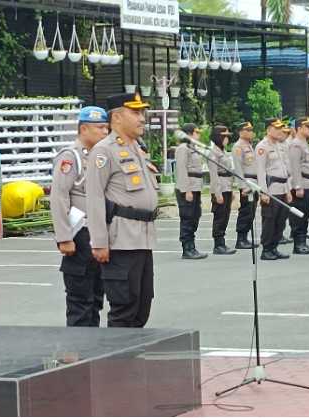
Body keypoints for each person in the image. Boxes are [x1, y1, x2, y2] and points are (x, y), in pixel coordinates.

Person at [87, 92, 158, 328]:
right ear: (117, 118)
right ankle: (117, 363)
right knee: (123, 307)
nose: (142, 118)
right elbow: (95, 197)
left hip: (143, 238)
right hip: (121, 240)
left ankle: (134, 361)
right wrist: (99, 242)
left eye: (142, 113)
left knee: (142, 305)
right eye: (135, 113)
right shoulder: (104, 151)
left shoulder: (138, 148)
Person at [51, 106, 108, 327]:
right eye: (100, 127)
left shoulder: (99, 156)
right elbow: (59, 197)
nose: (105, 132)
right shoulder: (71, 156)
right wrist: (64, 237)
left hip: (98, 235)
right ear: (84, 129)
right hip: (79, 235)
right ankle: (78, 355)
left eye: (106, 127)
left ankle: (92, 352)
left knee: (96, 298)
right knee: (80, 300)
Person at [255, 118, 292, 261]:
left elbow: (284, 172)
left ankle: (275, 247)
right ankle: (266, 248)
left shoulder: (280, 146)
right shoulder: (262, 147)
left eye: (280, 128)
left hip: (282, 188)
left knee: (281, 220)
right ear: (268, 130)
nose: (279, 131)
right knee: (269, 221)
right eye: (276, 128)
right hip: (271, 190)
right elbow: (260, 171)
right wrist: (263, 192)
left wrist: (288, 190)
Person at [175, 123, 207, 260]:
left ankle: (191, 245)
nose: (198, 135)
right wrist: (186, 190)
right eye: (196, 132)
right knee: (187, 218)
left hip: (195, 187)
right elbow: (182, 171)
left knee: (195, 216)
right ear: (189, 134)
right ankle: (187, 248)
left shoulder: (192, 147)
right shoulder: (183, 149)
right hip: (187, 189)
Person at [287, 117, 309, 255]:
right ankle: (298, 243)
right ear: (299, 128)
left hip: (308, 183)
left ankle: (303, 241)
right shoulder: (296, 145)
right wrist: (298, 186)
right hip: (301, 184)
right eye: (307, 126)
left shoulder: (304, 143)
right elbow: (294, 167)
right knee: (299, 214)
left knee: (306, 213)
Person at [207, 126, 236, 255]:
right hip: (220, 189)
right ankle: (218, 244)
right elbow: (214, 175)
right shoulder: (213, 153)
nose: (227, 139)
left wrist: (231, 190)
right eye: (224, 136)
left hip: (227, 187)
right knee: (219, 217)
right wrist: (217, 193)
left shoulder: (222, 152)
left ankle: (222, 242)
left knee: (225, 217)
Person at [231, 121, 258, 249]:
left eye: (251, 130)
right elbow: (238, 168)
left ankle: (246, 237)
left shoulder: (250, 146)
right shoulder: (238, 147)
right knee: (245, 211)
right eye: (248, 130)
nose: (251, 132)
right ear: (241, 132)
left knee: (251, 211)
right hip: (247, 183)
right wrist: (242, 186)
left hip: (254, 183)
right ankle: (241, 238)